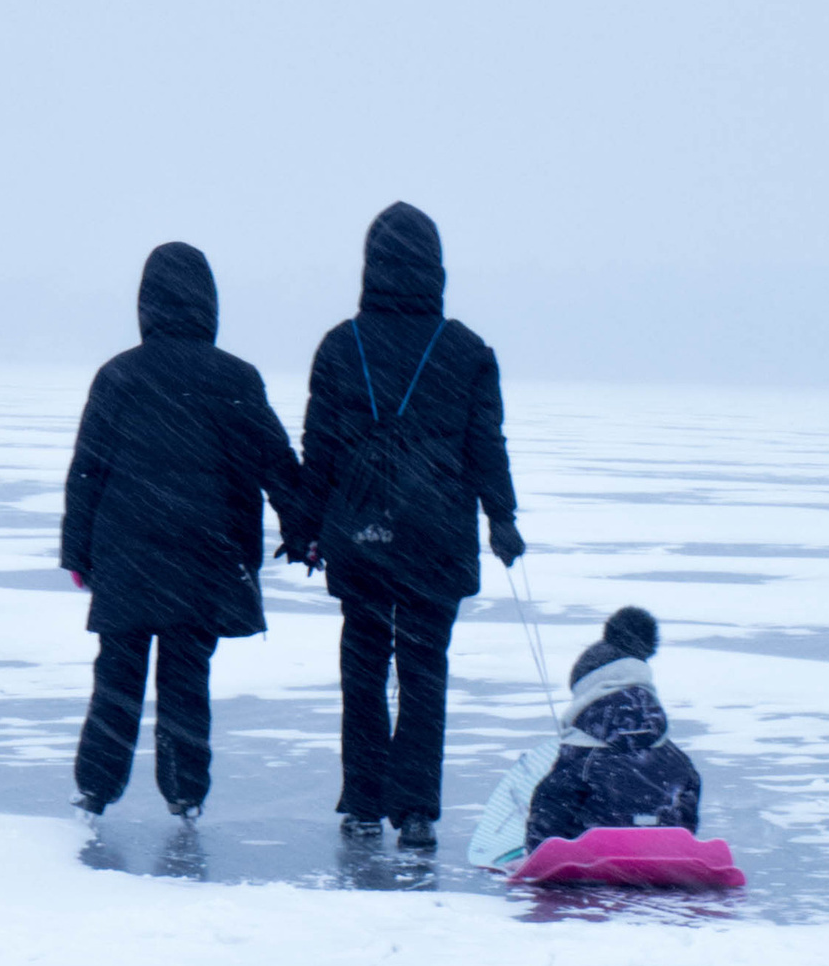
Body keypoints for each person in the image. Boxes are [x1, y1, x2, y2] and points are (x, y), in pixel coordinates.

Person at [294, 202, 522, 852]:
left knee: (363, 668)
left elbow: (319, 448)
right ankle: (417, 810)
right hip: (436, 537)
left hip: (361, 534)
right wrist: (501, 517)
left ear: (371, 265)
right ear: (436, 267)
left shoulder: (341, 345)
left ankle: (364, 803)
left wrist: (307, 525)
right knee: (425, 673)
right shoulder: (466, 350)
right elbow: (486, 444)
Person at [61, 242, 302, 822]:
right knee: (187, 679)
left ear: (146, 303)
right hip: (204, 555)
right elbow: (276, 462)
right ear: (207, 302)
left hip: (127, 556)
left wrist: (78, 553)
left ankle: (95, 789)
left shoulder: (119, 374)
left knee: (117, 678)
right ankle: (185, 792)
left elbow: (87, 470)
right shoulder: (234, 377)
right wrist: (304, 528)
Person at [523, 606, 702, 849]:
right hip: (660, 849)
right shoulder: (675, 757)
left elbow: (550, 808)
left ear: (587, 693)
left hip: (596, 852)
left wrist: (537, 851)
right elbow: (688, 805)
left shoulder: (582, 753)